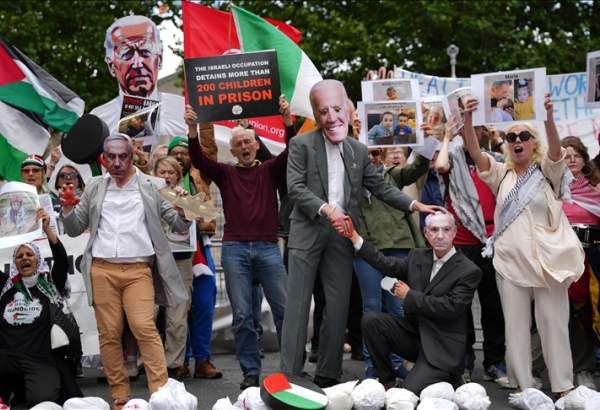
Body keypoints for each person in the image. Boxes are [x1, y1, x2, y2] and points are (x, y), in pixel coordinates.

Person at [281, 79, 442, 388]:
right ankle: (291, 372)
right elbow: (296, 189)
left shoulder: (356, 150)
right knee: (298, 304)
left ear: (348, 108)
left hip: (343, 235)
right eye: (323, 111)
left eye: (337, 109)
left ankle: (328, 374)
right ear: (316, 114)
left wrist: (413, 204)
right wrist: (327, 209)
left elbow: (380, 186)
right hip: (308, 231)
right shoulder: (300, 145)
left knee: (339, 304)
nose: (331, 117)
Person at [462, 94, 584, 396]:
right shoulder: (500, 173)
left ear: (534, 142)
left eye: (524, 136)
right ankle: (522, 384)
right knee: (514, 328)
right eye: (511, 136)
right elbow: (474, 151)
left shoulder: (548, 171)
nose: (517, 140)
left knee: (554, 325)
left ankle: (563, 385)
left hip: (548, 261)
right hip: (509, 261)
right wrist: (468, 119)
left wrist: (548, 118)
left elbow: (556, 150)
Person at [62, 133, 190, 409]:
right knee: (109, 333)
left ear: (132, 156)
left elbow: (179, 226)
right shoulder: (95, 187)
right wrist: (67, 208)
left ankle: (161, 393)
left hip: (138, 269)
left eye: (123, 156)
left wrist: (184, 209)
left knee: (144, 326)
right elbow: (73, 228)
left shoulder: (152, 185)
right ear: (104, 159)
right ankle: (120, 396)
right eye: (112, 157)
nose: (117, 162)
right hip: (102, 269)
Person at [185, 101, 291, 390]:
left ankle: (292, 369)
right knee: (243, 316)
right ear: (232, 151)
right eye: (238, 143)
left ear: (256, 145)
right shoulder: (226, 173)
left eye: (248, 141)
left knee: (284, 310)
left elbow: (291, 151)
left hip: (268, 248)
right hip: (235, 250)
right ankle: (251, 373)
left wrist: (286, 120)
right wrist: (192, 130)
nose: (244, 146)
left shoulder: (270, 170)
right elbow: (199, 159)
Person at [339, 212, 481, 394]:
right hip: (415, 337)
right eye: (434, 229)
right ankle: (387, 381)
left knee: (407, 394)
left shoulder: (469, 270)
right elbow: (385, 264)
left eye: (446, 230)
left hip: (442, 347)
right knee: (372, 321)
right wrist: (355, 238)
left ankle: (450, 376)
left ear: (454, 232)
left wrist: (409, 295)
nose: (440, 235)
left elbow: (450, 308)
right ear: (426, 233)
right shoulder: (417, 257)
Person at [434, 115, 508, 387]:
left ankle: (495, 363)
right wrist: (446, 137)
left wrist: (499, 139)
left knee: (493, 306)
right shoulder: (452, 157)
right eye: (468, 127)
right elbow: (439, 165)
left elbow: (524, 166)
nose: (472, 132)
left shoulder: (494, 160)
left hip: (492, 241)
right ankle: (463, 363)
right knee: (460, 308)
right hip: (462, 243)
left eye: (478, 127)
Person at [355, 143, 430, 379]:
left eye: (376, 153)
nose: (373, 158)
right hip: (366, 251)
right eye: (367, 154)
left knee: (397, 307)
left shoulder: (392, 176)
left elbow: (417, 168)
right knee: (371, 307)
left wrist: (428, 141)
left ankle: (396, 362)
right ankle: (372, 365)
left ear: (384, 156)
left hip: (397, 249)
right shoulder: (351, 181)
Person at [0, 209, 82, 407]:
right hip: (5, 358)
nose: (24, 258)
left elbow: (61, 260)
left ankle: (21, 392)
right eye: (19, 256)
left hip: (39, 359)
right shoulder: (5, 286)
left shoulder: (51, 285)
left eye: (29, 254)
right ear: (14, 262)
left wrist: (47, 229)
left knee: (42, 401)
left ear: (38, 259)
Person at [154, 153, 222, 380]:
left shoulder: (185, 196)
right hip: (152, 259)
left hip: (183, 259)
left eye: (171, 172)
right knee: (149, 314)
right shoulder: (146, 196)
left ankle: (173, 366)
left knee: (178, 313)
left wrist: (191, 208)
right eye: (162, 172)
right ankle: (153, 362)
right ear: (155, 175)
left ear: (178, 176)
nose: (166, 176)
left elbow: (210, 218)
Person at [92, 15, 186, 139]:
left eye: (146, 51)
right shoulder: (99, 120)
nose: (137, 63)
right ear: (111, 65)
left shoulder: (184, 111)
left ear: (160, 59)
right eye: (126, 54)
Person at [560, 136, 600, 389]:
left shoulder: (595, 186)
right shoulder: (552, 187)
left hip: (593, 259)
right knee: (568, 315)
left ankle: (587, 367)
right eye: (566, 155)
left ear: (585, 159)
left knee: (590, 313)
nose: (572, 159)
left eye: (576, 155)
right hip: (562, 260)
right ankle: (575, 368)